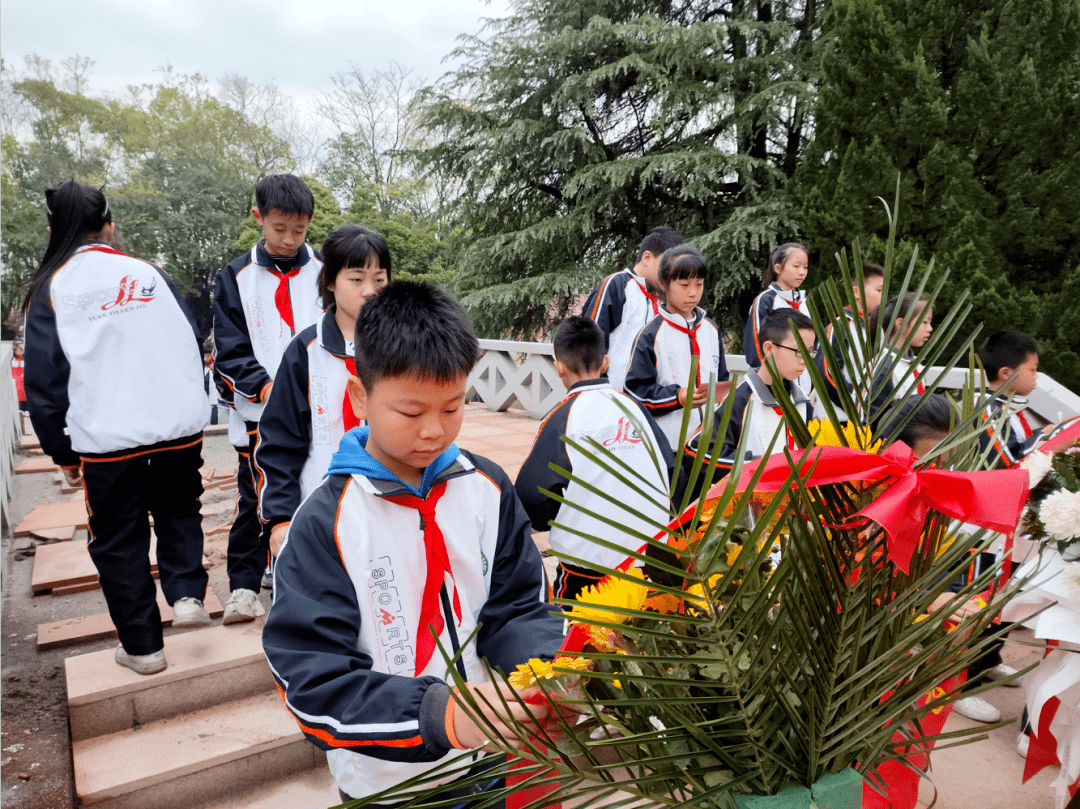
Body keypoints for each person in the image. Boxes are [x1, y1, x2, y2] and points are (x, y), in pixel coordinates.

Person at [262, 281, 566, 804]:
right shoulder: (327, 523)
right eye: (411, 412)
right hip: (388, 781)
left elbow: (516, 610)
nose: (434, 431)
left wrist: (550, 668)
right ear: (361, 397)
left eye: (452, 408)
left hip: (493, 757)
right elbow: (313, 680)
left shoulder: (487, 488)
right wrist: (440, 714)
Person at [23, 180, 210, 675]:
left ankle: (144, 648)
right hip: (177, 428)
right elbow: (191, 341)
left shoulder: (52, 288)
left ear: (52, 229)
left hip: (107, 441)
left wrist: (62, 452)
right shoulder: (150, 273)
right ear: (109, 225)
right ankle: (188, 595)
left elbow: (45, 382)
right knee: (177, 511)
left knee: (119, 539)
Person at [212, 174, 323, 624]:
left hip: (319, 409)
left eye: (298, 230)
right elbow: (229, 349)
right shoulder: (235, 276)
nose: (288, 239)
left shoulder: (325, 271)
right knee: (254, 499)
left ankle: (296, 576)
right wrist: (269, 388)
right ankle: (242, 586)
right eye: (279, 228)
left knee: (312, 492)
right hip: (260, 411)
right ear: (259, 218)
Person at [254, 225, 391, 558]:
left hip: (392, 504)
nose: (369, 291)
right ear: (330, 281)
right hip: (319, 507)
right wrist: (280, 518)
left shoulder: (403, 346)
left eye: (380, 280)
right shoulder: (305, 351)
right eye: (356, 279)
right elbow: (279, 442)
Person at [515, 317, 674, 600]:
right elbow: (673, 470)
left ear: (559, 367)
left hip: (589, 571)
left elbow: (532, 496)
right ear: (605, 363)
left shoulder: (562, 418)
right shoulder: (634, 408)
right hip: (651, 563)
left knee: (582, 639)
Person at [681, 309, 815, 500]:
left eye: (810, 352)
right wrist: (759, 465)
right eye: (799, 352)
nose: (806, 361)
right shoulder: (739, 399)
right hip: (748, 511)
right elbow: (698, 450)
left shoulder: (802, 402)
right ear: (769, 348)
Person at [624, 245, 730, 451]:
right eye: (684, 285)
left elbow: (722, 380)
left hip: (711, 443)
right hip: (670, 446)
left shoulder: (711, 329)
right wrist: (678, 397)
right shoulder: (651, 334)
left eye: (699, 284)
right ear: (664, 283)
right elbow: (635, 392)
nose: (693, 292)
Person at [581, 226, 684, 391]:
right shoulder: (616, 285)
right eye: (666, 267)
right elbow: (589, 343)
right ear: (647, 258)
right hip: (612, 399)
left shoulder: (662, 301)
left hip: (646, 403)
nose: (670, 275)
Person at [976, 330, 1056, 468]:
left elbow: (1016, 446)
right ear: (1005, 373)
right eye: (1032, 370)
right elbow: (1008, 461)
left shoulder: (1002, 406)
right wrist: (1045, 437)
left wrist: (1044, 432)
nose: (1036, 376)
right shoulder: (989, 410)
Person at [817, 263, 885, 420]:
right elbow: (827, 374)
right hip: (838, 418)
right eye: (879, 290)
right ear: (857, 292)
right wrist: (855, 405)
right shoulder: (840, 326)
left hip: (868, 416)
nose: (883, 296)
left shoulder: (879, 330)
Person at [865, 293, 934, 421]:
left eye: (930, 322)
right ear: (900, 323)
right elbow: (869, 419)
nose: (930, 328)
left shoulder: (914, 365)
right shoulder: (884, 368)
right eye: (924, 322)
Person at [742, 243, 811, 368]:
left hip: (804, 381)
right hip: (775, 381)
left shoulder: (805, 302)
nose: (802, 272)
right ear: (778, 268)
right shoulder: (765, 301)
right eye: (796, 266)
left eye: (805, 267)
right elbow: (756, 344)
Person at [10, 340, 27, 412]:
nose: (22, 349)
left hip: (26, 394)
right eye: (20, 347)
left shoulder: (27, 361)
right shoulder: (11, 361)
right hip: (14, 394)